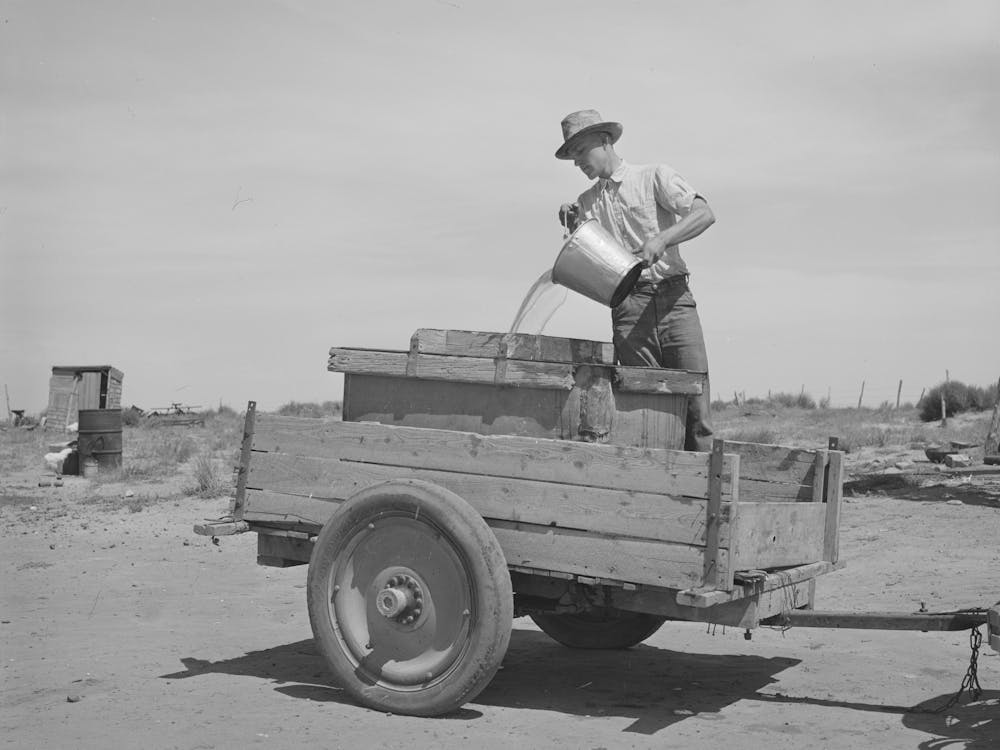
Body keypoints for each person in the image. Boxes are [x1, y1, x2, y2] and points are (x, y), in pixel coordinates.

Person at [555, 109, 716, 451]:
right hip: (628, 308)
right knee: (645, 413)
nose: (577, 162)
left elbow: (704, 214)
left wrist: (663, 239)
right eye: (572, 157)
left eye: (580, 151)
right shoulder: (585, 204)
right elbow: (589, 259)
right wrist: (572, 226)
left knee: (696, 407)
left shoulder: (653, 176)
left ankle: (704, 494)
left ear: (604, 140)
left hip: (675, 302)